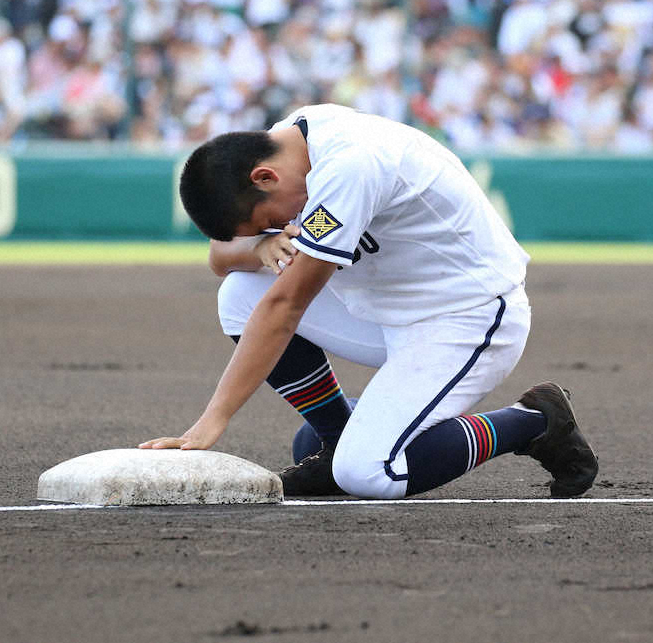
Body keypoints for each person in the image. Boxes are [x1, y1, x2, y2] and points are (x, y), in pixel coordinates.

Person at [139, 104, 598, 499]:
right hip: (389, 309)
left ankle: (533, 422)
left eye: (268, 219)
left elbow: (286, 307)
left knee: (366, 472)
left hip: (467, 319)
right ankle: (337, 438)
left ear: (264, 177)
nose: (279, 224)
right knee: (239, 295)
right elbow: (222, 257)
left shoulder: (349, 165)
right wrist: (257, 247)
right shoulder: (287, 151)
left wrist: (211, 422)